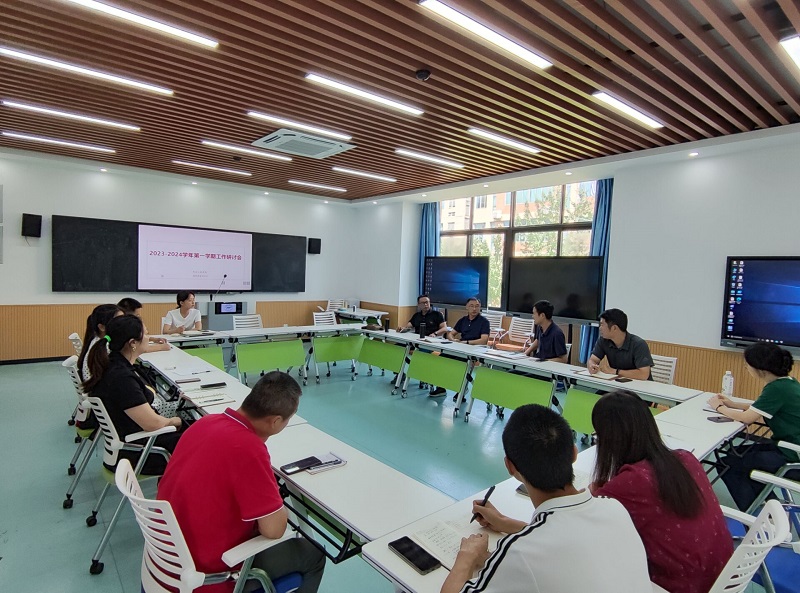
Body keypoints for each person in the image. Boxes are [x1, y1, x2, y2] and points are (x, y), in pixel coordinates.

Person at [441, 404, 652, 593]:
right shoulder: (615, 509)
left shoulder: (520, 553)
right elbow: (565, 539)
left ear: (510, 467)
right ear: (574, 453)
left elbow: (544, 545)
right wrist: (505, 522)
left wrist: (467, 556)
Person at [158, 371, 325, 593]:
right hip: (206, 575)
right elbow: (274, 530)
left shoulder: (205, 422)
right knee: (314, 554)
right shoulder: (249, 449)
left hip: (166, 559)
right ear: (276, 421)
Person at [591, 390, 732, 593]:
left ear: (609, 439)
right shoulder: (685, 458)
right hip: (724, 574)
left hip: (684, 586)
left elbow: (588, 518)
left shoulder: (631, 482)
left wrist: (596, 492)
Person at [83, 314, 185, 473]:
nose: (149, 337)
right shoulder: (121, 378)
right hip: (139, 452)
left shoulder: (112, 364)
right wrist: (176, 420)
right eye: (145, 334)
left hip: (132, 442)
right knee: (202, 436)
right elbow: (153, 424)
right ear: (133, 343)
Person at [708, 342, 800, 510]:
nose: (746, 367)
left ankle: (757, 513)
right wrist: (733, 404)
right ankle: (769, 505)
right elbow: (761, 406)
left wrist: (719, 407)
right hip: (788, 446)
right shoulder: (787, 382)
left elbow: (747, 418)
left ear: (760, 369)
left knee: (727, 464)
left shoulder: (776, 388)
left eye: (747, 364)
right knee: (733, 455)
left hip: (792, 455)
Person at [398, 294, 448, 396]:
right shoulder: (416, 316)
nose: (426, 304)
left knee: (422, 353)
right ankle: (399, 373)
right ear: (418, 304)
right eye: (423, 303)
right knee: (397, 347)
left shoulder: (437, 314)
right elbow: (408, 327)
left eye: (427, 302)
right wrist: (402, 328)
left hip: (432, 342)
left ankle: (424, 377)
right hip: (417, 341)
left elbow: (444, 328)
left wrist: (435, 334)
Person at [588, 308, 653, 380]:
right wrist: (592, 365)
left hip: (640, 385)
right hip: (617, 383)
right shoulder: (603, 340)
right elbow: (593, 359)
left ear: (614, 328)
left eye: (602, 325)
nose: (600, 328)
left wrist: (616, 371)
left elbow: (643, 374)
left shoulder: (639, 344)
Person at [77, 303, 123, 382]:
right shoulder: (105, 346)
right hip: (99, 387)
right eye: (118, 321)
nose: (124, 324)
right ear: (102, 327)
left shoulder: (97, 339)